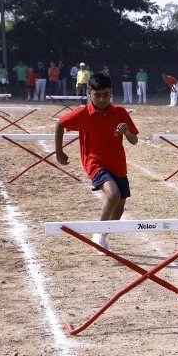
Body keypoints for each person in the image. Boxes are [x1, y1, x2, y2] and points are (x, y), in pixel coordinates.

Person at [54, 72, 139, 253]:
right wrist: (59, 151)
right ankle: (98, 233)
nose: (102, 99)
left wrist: (127, 132)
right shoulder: (82, 113)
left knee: (118, 211)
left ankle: (103, 234)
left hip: (118, 164)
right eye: (97, 95)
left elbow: (134, 141)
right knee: (113, 194)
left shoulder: (120, 112)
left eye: (106, 95)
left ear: (111, 93)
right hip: (94, 162)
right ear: (89, 93)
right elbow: (60, 123)